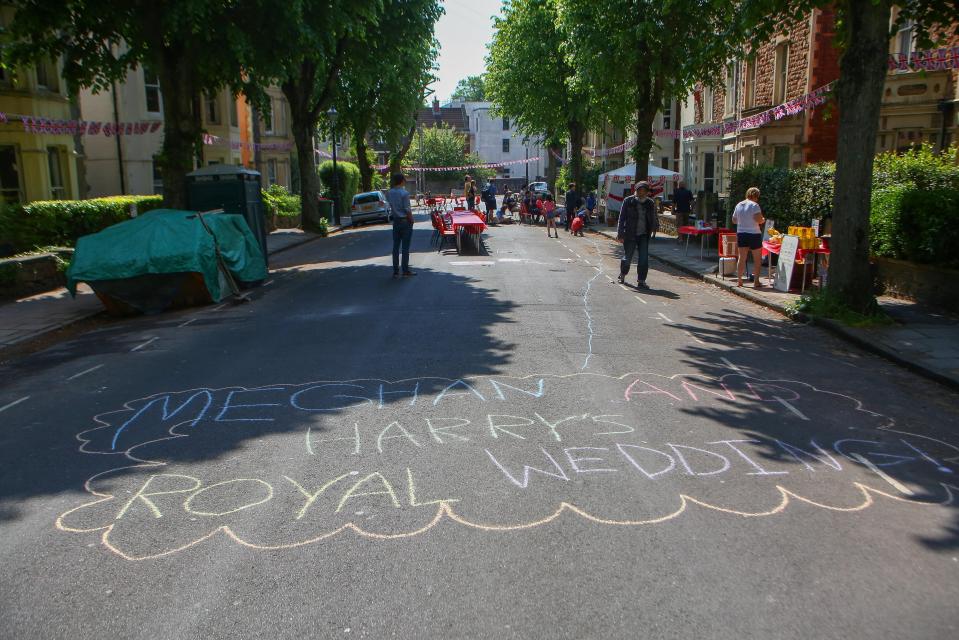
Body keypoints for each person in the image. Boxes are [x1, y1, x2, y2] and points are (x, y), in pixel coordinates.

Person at [616, 181, 659, 289]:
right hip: (630, 234)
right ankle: (623, 274)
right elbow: (622, 218)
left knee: (643, 259)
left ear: (647, 192)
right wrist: (620, 233)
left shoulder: (650, 203)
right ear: (636, 190)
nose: (642, 193)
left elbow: (653, 216)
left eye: (644, 191)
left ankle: (641, 280)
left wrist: (654, 228)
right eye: (640, 190)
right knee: (628, 257)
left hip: (644, 234)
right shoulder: (628, 201)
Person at [732, 187, 765, 289]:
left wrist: (743, 221)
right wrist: (763, 220)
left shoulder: (739, 204)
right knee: (757, 259)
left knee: (742, 258)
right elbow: (758, 219)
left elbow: (734, 220)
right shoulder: (755, 205)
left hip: (741, 233)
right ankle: (756, 281)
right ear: (756, 196)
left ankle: (739, 280)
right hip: (754, 233)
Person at [386, 173, 416, 278]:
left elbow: (390, 205)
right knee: (405, 247)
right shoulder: (404, 193)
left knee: (395, 246)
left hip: (396, 221)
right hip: (404, 220)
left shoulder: (390, 193)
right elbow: (407, 209)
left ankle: (395, 270)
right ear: (402, 180)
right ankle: (405, 269)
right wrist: (411, 220)